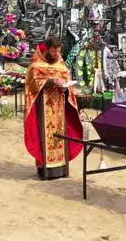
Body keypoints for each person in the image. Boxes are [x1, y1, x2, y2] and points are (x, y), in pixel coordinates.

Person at [23, 36, 83, 180]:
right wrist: (51, 81)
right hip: (42, 106)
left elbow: (67, 80)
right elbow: (32, 84)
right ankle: (44, 171)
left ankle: (61, 170)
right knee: (44, 136)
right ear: (47, 49)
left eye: (58, 51)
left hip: (60, 107)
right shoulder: (36, 65)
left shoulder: (61, 65)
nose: (56, 54)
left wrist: (65, 86)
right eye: (54, 51)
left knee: (61, 135)